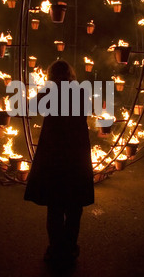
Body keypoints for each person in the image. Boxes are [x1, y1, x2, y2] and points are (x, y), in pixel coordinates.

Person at [24, 60, 94, 264]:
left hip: (54, 154)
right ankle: (70, 247)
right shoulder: (80, 91)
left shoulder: (49, 91)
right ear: (70, 73)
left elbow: (32, 107)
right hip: (76, 154)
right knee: (74, 205)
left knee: (55, 205)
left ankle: (55, 249)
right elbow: (88, 111)